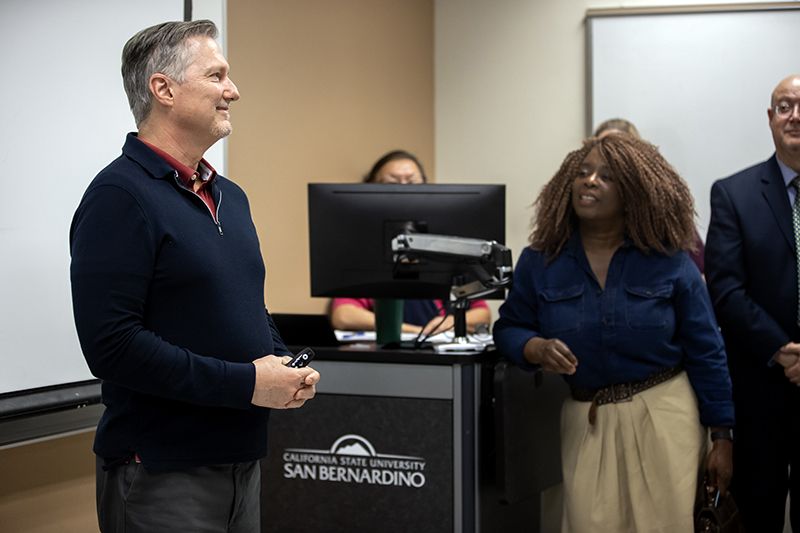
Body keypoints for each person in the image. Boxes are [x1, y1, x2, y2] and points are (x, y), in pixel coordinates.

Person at [70, 20, 319, 532]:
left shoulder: (230, 195)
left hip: (241, 460)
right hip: (161, 471)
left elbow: (248, 305)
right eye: (217, 76)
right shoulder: (120, 196)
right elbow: (112, 346)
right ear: (163, 89)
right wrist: (248, 382)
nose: (234, 90)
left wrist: (278, 364)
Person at [494, 134, 734, 532]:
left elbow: (707, 352)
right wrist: (534, 347)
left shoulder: (670, 261)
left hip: (665, 416)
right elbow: (509, 327)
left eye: (606, 177)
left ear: (635, 194)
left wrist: (722, 438)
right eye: (583, 173)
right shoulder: (540, 261)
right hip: (586, 421)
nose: (590, 181)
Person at [705, 74, 800, 532]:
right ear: (770, 118)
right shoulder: (734, 193)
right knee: (757, 520)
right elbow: (724, 290)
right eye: (784, 106)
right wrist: (783, 352)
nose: (795, 115)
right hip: (760, 395)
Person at [330, 150, 492, 335]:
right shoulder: (365, 252)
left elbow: (483, 314)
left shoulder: (446, 244)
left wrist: (450, 322)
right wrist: (414, 331)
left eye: (413, 182)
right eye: (392, 184)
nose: (403, 190)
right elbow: (343, 315)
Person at [594, 118, 706, 273]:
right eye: (601, 149)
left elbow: (701, 275)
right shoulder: (583, 211)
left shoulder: (666, 213)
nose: (608, 157)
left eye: (617, 150)